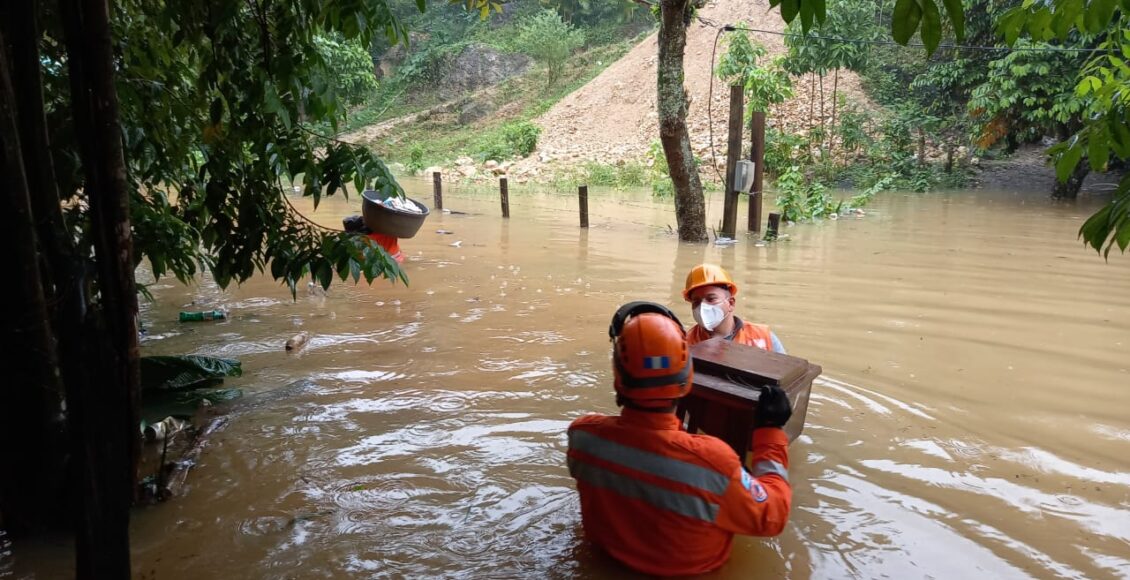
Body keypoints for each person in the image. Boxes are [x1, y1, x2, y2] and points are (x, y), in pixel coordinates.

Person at [566, 301, 794, 576]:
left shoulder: (583, 438)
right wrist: (769, 433)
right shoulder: (713, 463)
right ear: (687, 376)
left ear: (618, 377)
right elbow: (773, 516)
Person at [683, 263, 785, 353]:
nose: (702, 307)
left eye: (711, 299)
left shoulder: (763, 337)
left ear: (731, 303)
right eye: (696, 302)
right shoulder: (685, 344)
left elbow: (786, 371)